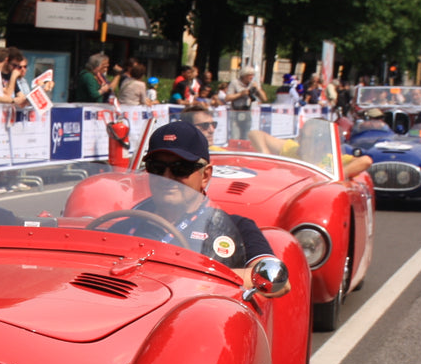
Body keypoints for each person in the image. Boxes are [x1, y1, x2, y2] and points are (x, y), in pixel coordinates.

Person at [105, 120, 287, 293]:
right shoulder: (128, 226)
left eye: (180, 168)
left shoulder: (237, 229)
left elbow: (279, 282)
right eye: (157, 167)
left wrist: (184, 277)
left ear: (205, 175)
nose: (167, 178)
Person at [224, 66, 265, 140]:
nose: (252, 77)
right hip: (235, 112)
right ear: (244, 75)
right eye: (250, 75)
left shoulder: (252, 84)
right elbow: (227, 98)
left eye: (253, 75)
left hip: (247, 112)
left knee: (246, 137)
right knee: (235, 136)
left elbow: (264, 98)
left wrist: (258, 88)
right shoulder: (235, 83)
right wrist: (240, 94)